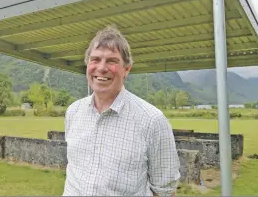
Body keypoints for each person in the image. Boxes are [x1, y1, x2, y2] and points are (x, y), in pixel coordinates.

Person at [63, 25, 180, 196]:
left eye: (112, 61)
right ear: (87, 65)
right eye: (95, 59)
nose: (101, 68)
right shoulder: (73, 112)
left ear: (126, 69)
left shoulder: (152, 120)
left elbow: (165, 191)